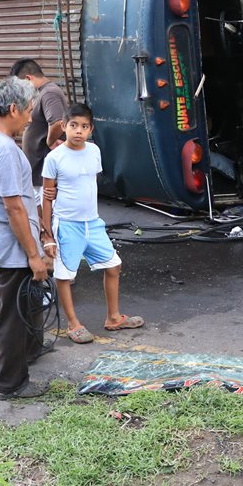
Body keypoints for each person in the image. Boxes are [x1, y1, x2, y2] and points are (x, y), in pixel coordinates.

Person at [0, 76, 52, 399]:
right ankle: (11, 383)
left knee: (25, 305)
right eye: (29, 111)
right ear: (13, 109)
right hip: (11, 244)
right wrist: (33, 254)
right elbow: (14, 207)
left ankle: (29, 356)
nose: (31, 119)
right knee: (13, 314)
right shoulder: (2, 149)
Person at [41, 103, 144, 344]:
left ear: (91, 129)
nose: (78, 131)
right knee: (64, 276)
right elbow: (46, 199)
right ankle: (73, 324)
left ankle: (113, 317)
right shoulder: (53, 158)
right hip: (66, 225)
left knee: (113, 266)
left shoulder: (94, 151)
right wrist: (47, 236)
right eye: (73, 125)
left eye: (84, 126)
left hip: (93, 223)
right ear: (63, 126)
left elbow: (89, 184)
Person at [11, 58, 69, 183]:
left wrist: (50, 141)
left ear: (28, 78)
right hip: (37, 170)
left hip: (43, 170)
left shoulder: (49, 93)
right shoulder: (41, 92)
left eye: (20, 86)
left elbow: (57, 123)